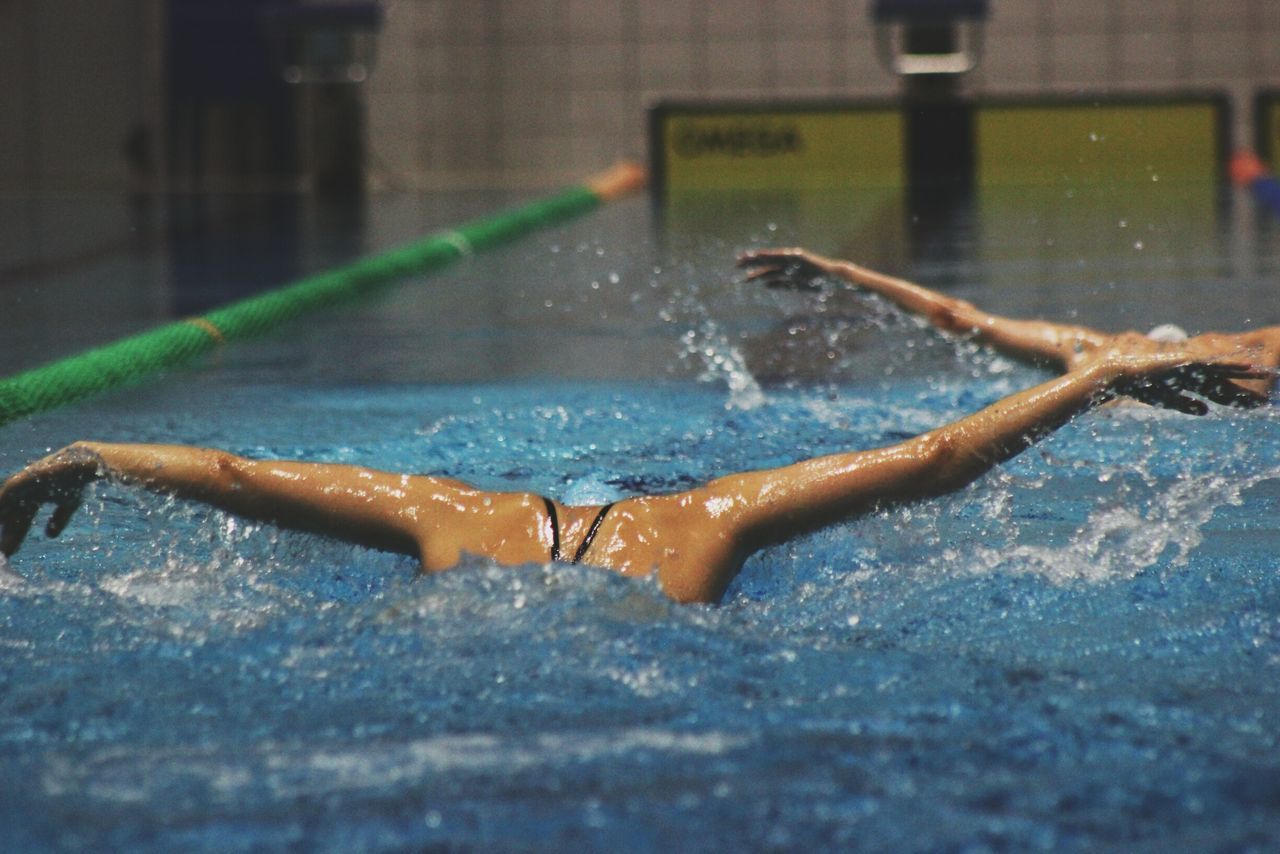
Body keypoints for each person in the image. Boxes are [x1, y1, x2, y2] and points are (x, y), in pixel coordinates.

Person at [0, 351, 1263, 604]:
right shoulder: (704, 518)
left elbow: (233, 469)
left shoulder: (451, 513)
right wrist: (1098, 379)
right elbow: (934, 457)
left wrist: (86, 454)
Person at [739, 247, 1280, 411]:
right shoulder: (1244, 350)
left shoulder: (1092, 354)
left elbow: (955, 318)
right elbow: (955, 317)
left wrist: (845, 274)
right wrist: (844, 275)